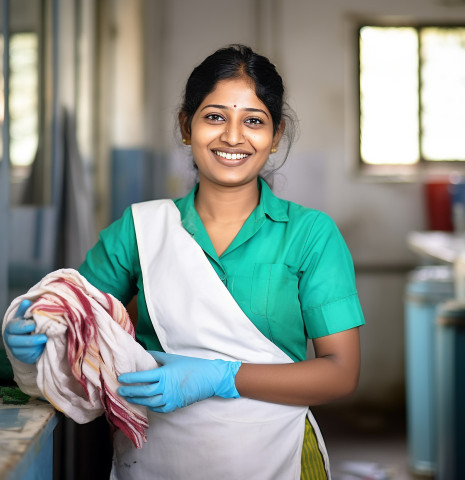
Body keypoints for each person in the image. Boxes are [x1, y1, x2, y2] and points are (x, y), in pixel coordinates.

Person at [3, 44, 365, 479]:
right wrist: (35, 335)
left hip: (277, 458)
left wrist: (222, 377)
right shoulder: (140, 230)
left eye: (254, 121)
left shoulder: (310, 235)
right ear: (185, 125)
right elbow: (76, 321)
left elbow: (340, 373)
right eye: (215, 117)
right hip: (157, 463)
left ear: (276, 135)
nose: (233, 136)